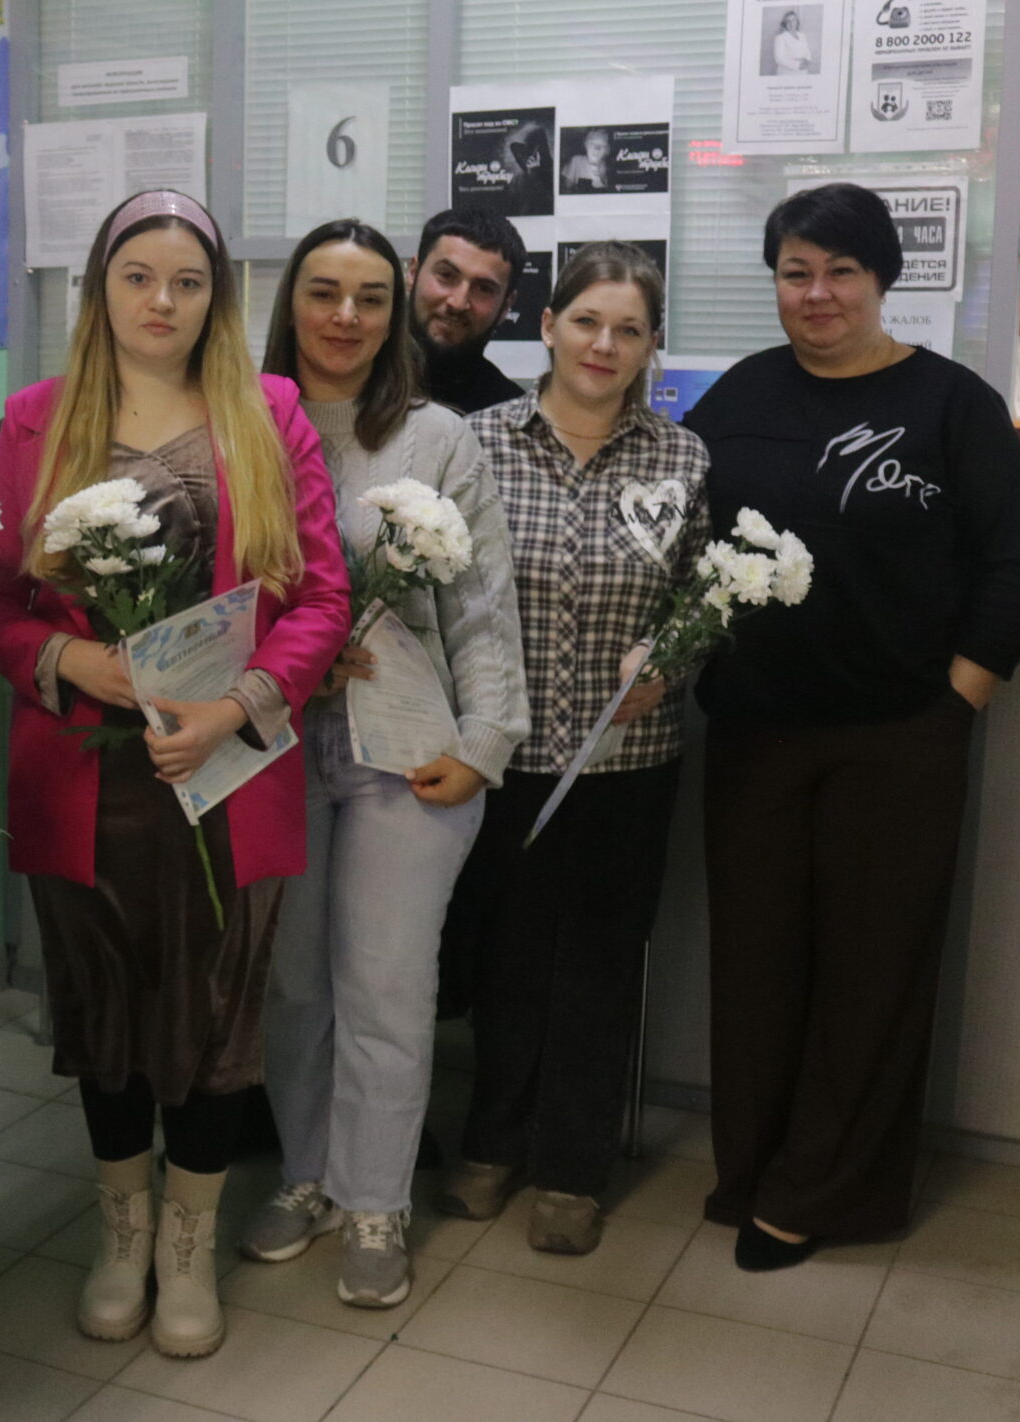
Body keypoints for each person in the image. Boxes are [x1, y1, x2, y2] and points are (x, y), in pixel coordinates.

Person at [0, 189, 348, 1359]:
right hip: (87, 774)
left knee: (217, 1017)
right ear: (100, 289)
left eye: (187, 283)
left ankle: (188, 1248)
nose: (161, 302)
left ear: (215, 299)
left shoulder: (267, 413)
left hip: (226, 772)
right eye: (138, 277)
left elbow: (320, 595)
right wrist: (71, 659)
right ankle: (120, 1236)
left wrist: (237, 706)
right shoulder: (35, 422)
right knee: (106, 1014)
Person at [684, 184, 1020, 1271]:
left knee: (872, 971)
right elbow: (680, 542)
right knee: (755, 967)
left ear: (883, 279)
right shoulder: (739, 395)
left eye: (840, 271)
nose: (818, 293)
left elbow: (1013, 564)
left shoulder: (951, 404)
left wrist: (955, 704)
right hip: (754, 737)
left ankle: (822, 1192)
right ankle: (752, 1168)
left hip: (898, 737)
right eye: (795, 272)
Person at [240, 221, 527, 1308]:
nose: (346, 316)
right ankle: (307, 1175)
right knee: (292, 984)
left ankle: (375, 1201)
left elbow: (483, 608)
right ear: (291, 302)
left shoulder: (435, 437)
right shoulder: (241, 425)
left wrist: (484, 745)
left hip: (407, 758)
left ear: (394, 308)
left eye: (368, 297)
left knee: (386, 987)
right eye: (324, 292)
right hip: (270, 750)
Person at [438, 242, 707, 1258]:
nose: (604, 344)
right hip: (501, 754)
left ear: (650, 346)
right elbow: (437, 589)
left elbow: (703, 597)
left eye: (629, 330)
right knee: (504, 956)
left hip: (626, 766)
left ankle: (570, 1166)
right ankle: (493, 1141)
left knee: (600, 963)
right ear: (547, 326)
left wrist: (672, 662)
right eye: (587, 320)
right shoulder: (476, 443)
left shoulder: (682, 459)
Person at [410, 209, 527, 416]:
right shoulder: (355, 376)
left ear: (506, 305)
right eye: (446, 275)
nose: (458, 303)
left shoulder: (511, 417)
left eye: (484, 289)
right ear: (413, 273)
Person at [562, 128, 612, 193]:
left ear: (608, 149)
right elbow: (566, 187)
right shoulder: (576, 161)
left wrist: (603, 175)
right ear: (585, 144)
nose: (596, 148)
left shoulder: (610, 167)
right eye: (592, 143)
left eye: (602, 144)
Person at [772, 9, 815, 74]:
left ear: (797, 22)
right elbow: (779, 59)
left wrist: (808, 61)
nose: (791, 23)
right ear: (784, 24)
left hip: (803, 71)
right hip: (787, 72)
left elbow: (807, 51)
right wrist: (797, 65)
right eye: (788, 21)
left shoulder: (802, 35)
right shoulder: (780, 37)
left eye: (793, 20)